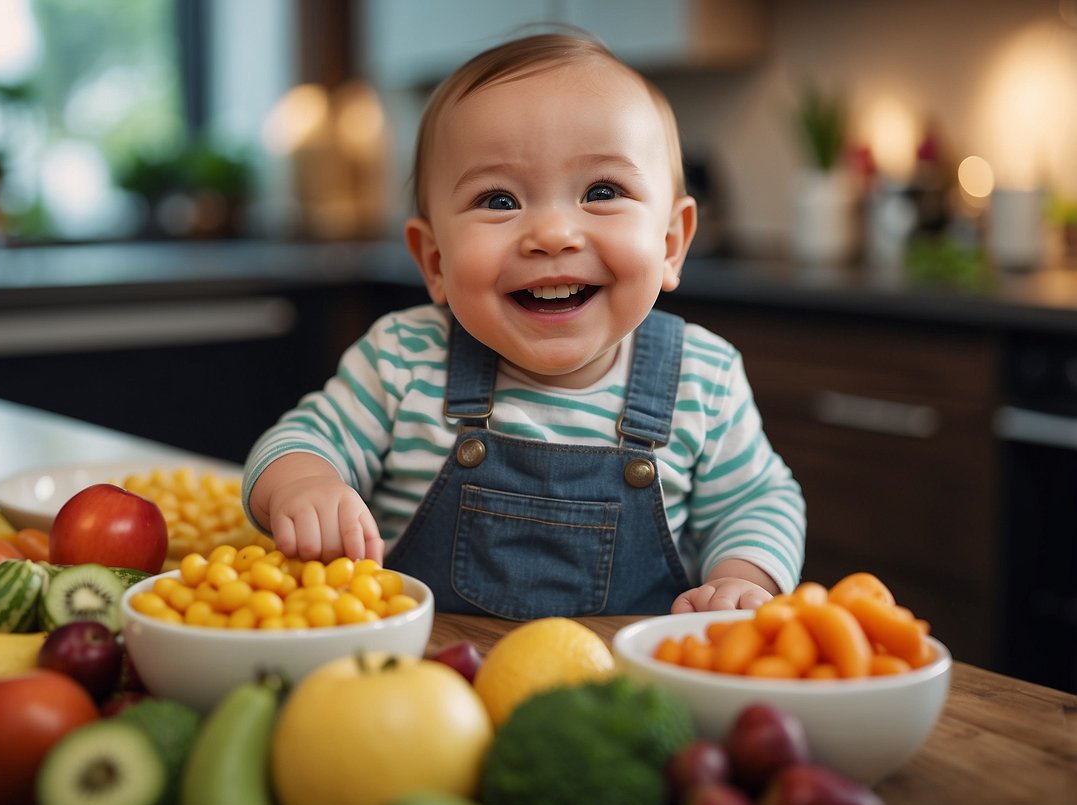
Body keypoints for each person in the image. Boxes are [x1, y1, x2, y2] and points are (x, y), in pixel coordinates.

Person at [244, 31, 805, 616]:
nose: (553, 235)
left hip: (623, 696)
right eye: (500, 201)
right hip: (427, 687)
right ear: (434, 261)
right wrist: (303, 487)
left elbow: (760, 501)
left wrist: (743, 580)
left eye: (602, 191)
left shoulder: (703, 378)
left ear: (670, 244)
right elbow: (298, 441)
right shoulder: (403, 358)